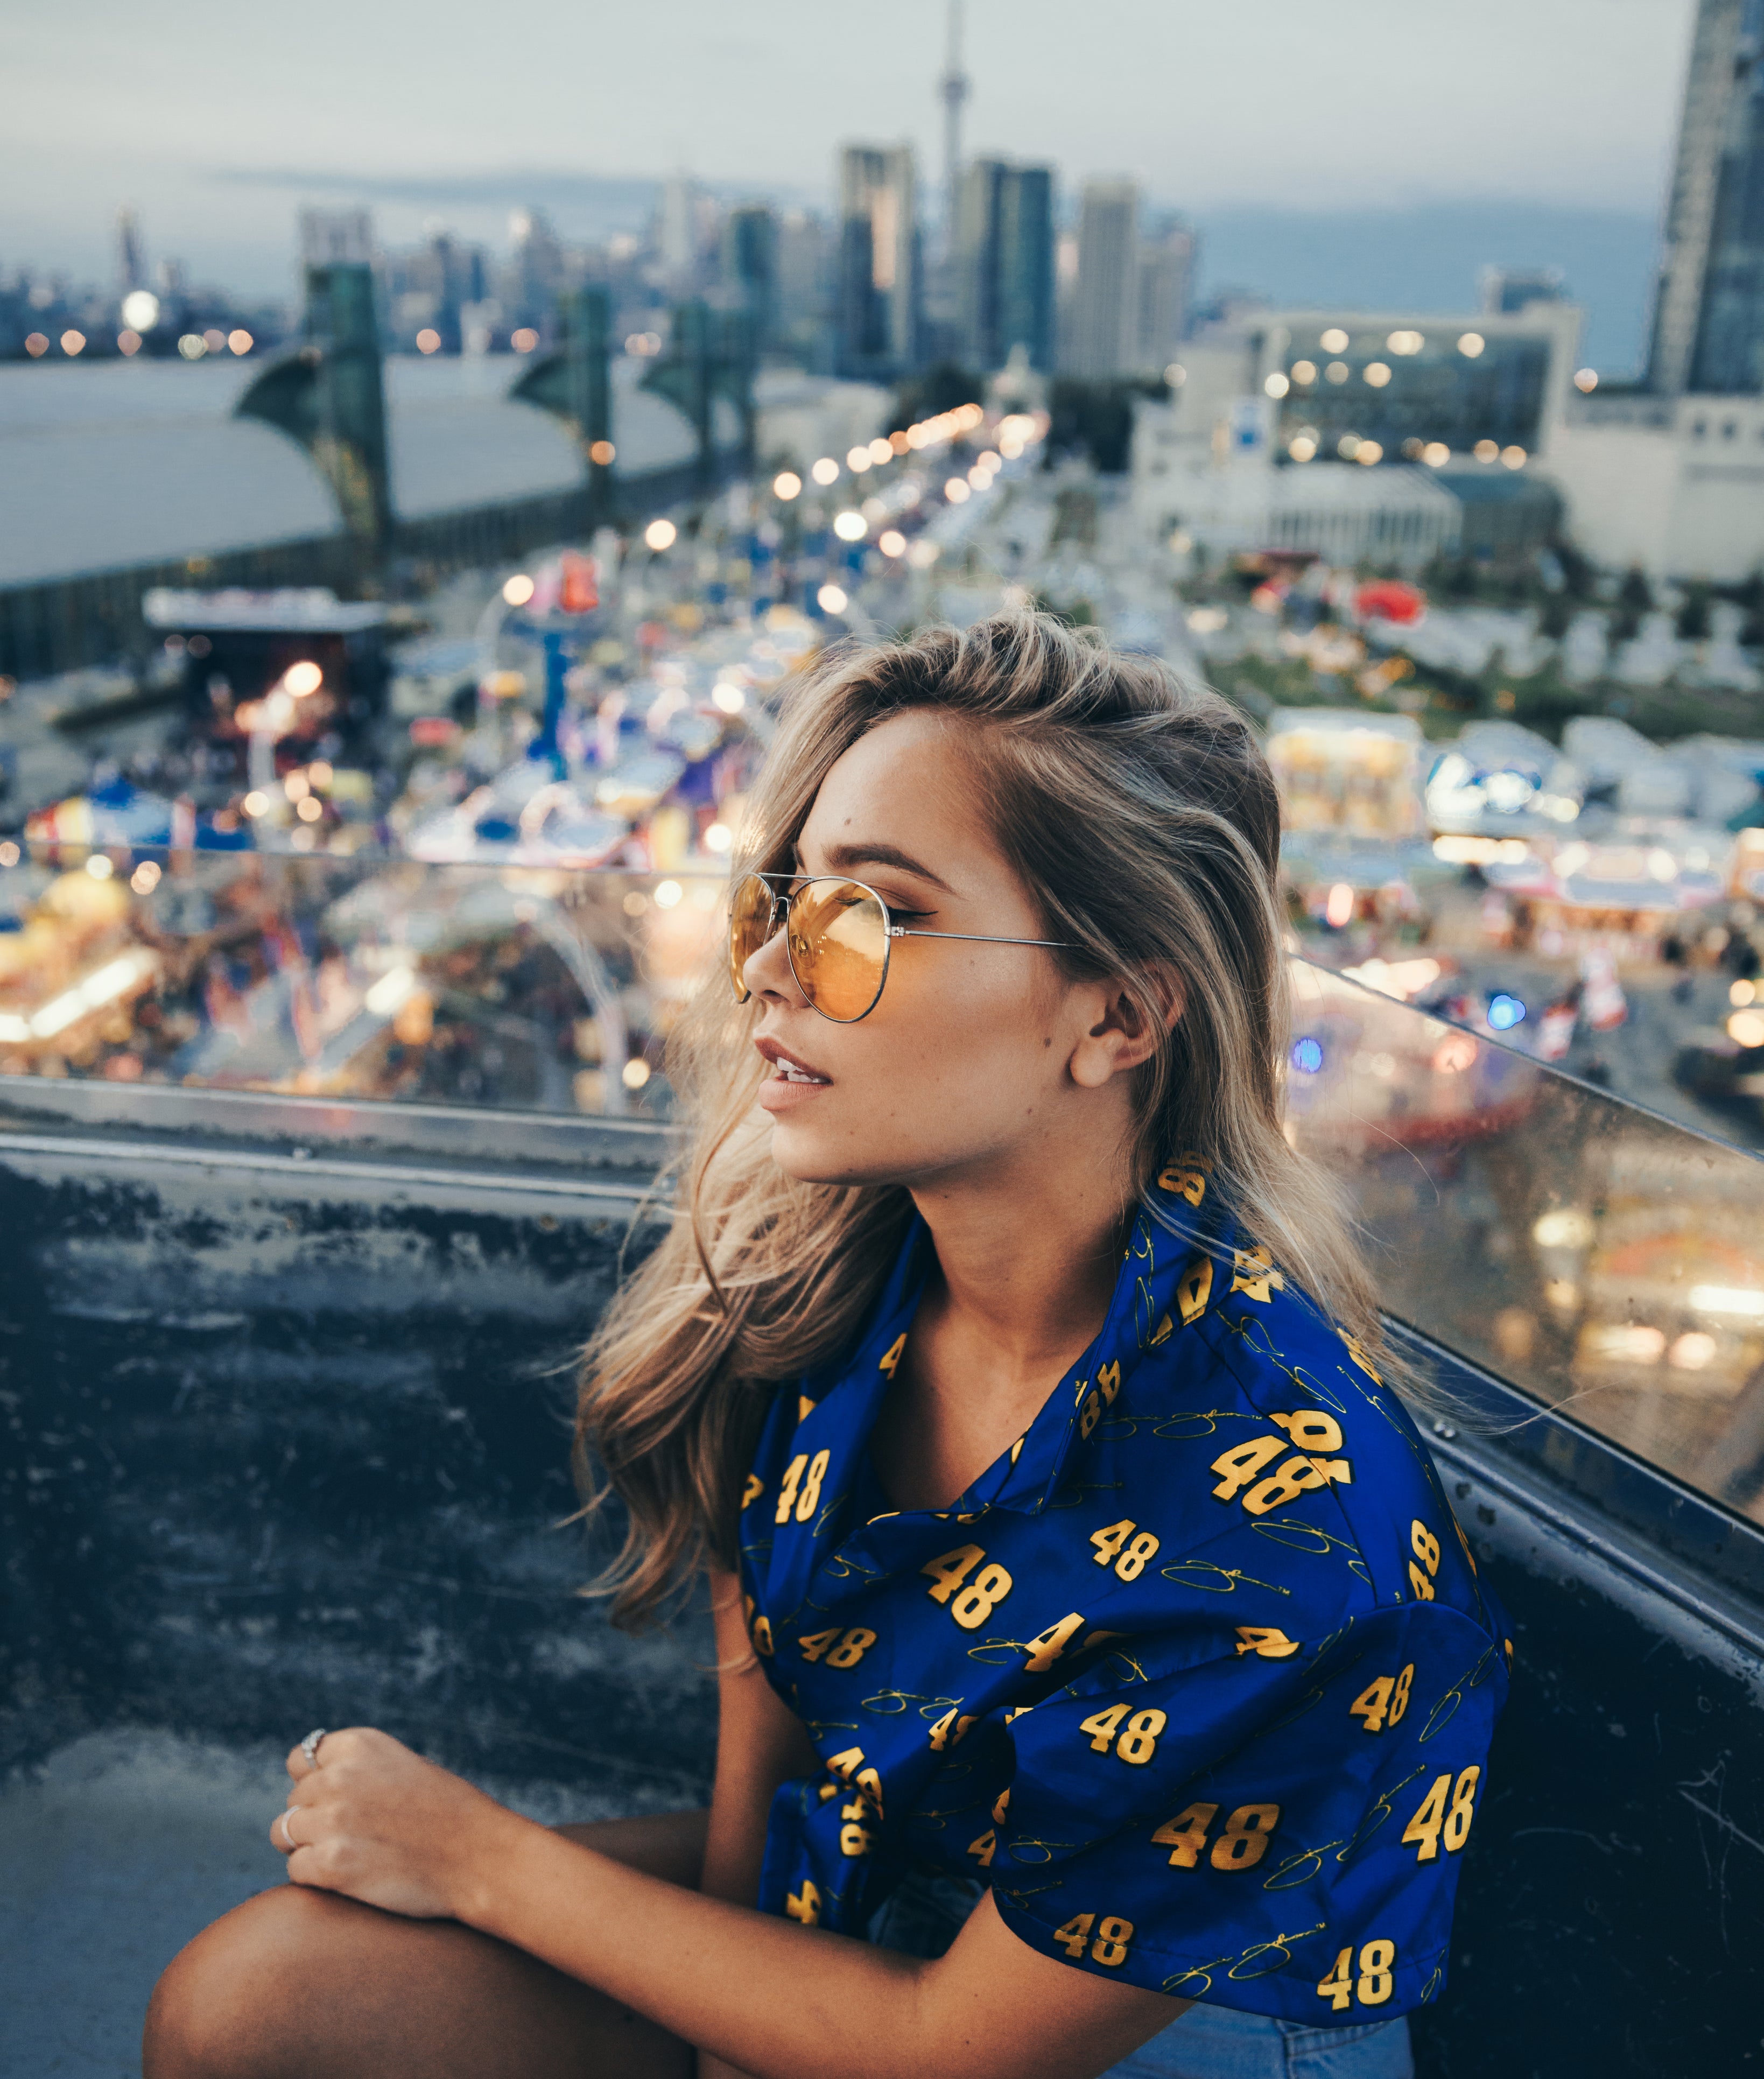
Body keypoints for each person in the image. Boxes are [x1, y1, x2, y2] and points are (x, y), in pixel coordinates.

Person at [145, 611, 1508, 2079]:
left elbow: (947, 2050)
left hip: (1143, 2023)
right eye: (784, 900)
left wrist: (476, 1857)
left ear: (1115, 1015)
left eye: (879, 913)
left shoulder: (1296, 1533)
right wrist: (730, 2009)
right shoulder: (832, 1281)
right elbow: (769, 1704)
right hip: (877, 1883)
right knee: (255, 2006)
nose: (775, 970)